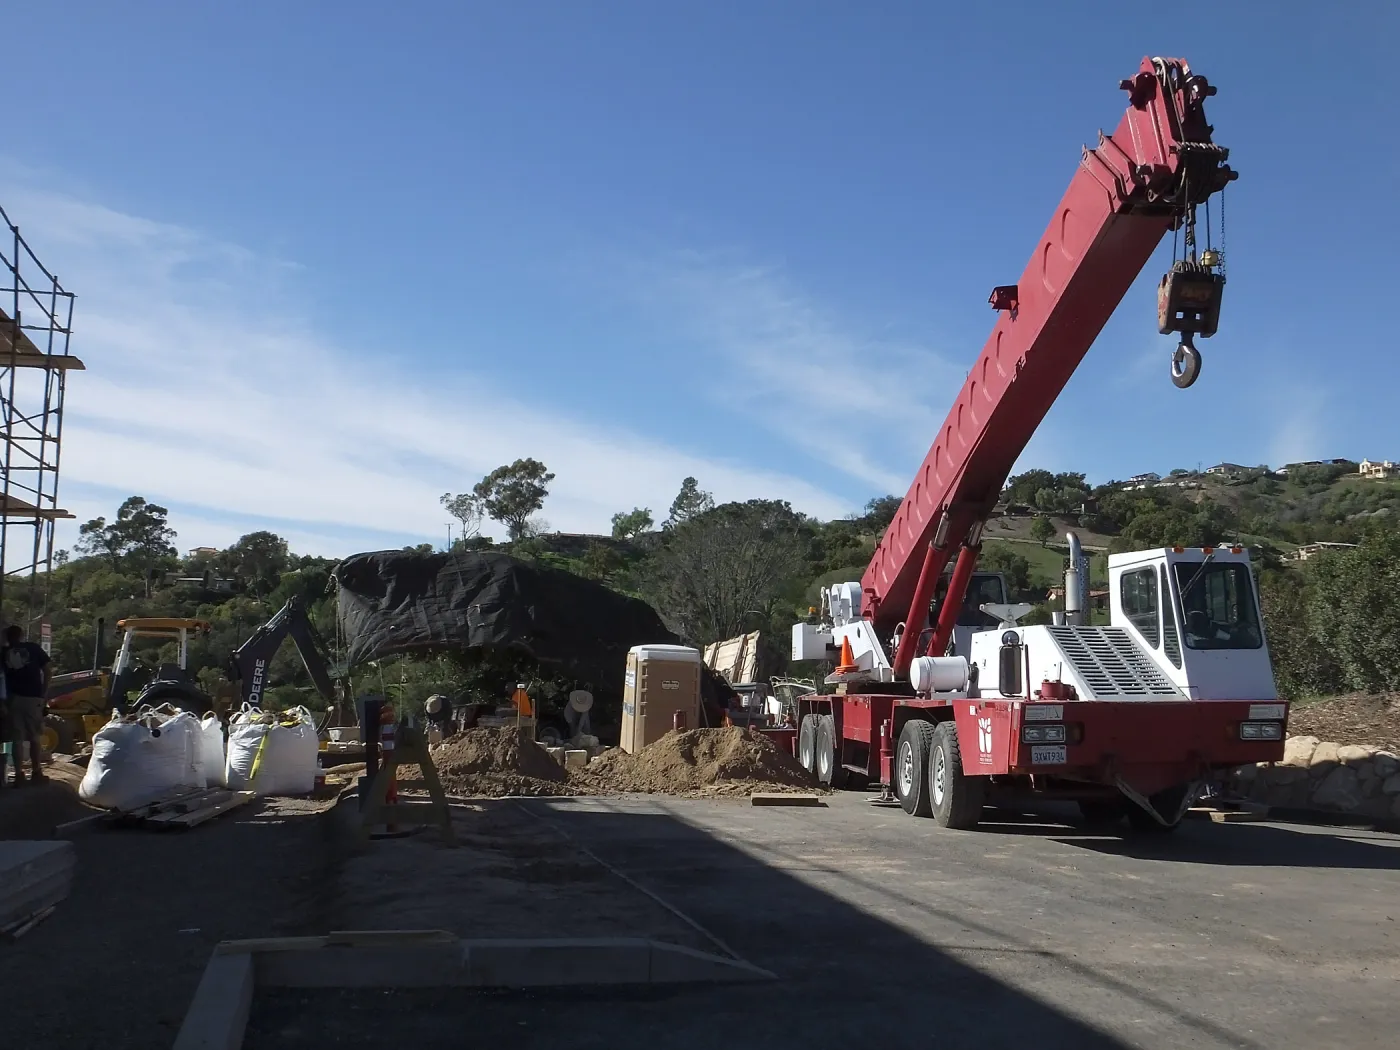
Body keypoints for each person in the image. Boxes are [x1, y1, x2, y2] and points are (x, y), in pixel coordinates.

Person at [2, 624, 50, 785]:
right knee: (34, 737)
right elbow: (48, 671)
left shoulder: (3, 653)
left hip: (12, 700)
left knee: (17, 739)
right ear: (22, 635)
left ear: (7, 638)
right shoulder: (33, 648)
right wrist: (43, 695)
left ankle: (18, 775)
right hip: (32, 699)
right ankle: (36, 772)